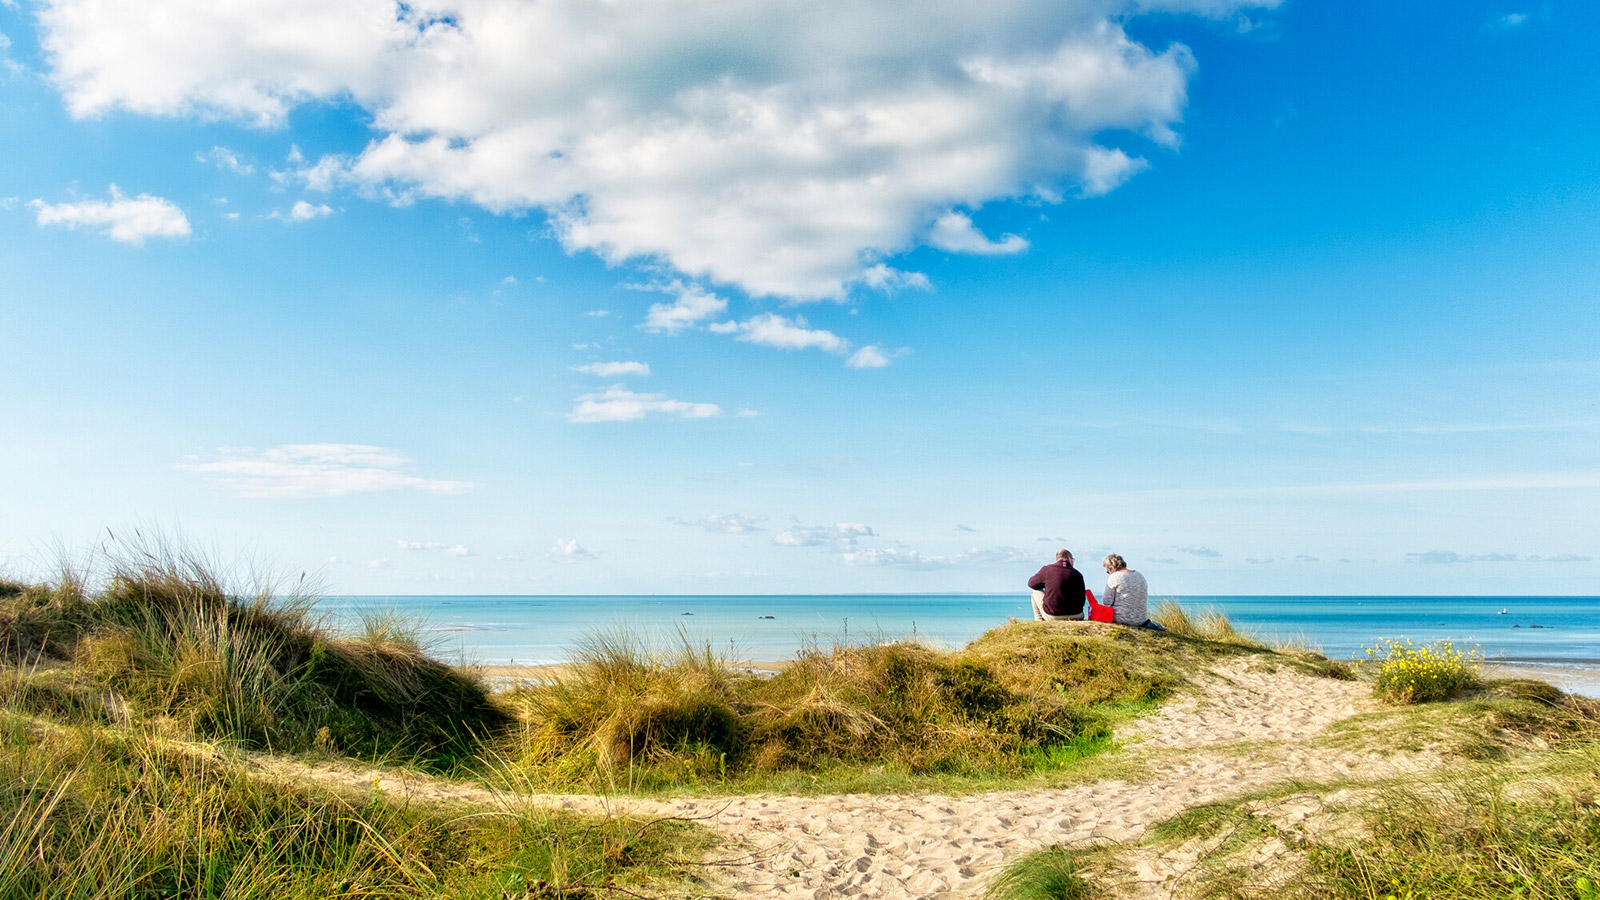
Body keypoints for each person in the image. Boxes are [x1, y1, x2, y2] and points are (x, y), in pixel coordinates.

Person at [1100, 554, 1165, 630]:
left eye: (1108, 571)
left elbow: (1107, 601)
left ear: (1111, 568)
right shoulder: (1139, 575)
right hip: (1141, 620)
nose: (1109, 573)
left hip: (1121, 619)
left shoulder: (1114, 577)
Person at [1028, 549, 1086, 621]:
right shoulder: (1078, 574)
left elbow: (1031, 584)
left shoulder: (1047, 570)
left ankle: (1039, 622)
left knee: (1035, 592)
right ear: (1069, 558)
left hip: (1054, 615)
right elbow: (1082, 599)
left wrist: (1046, 585)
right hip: (1077, 615)